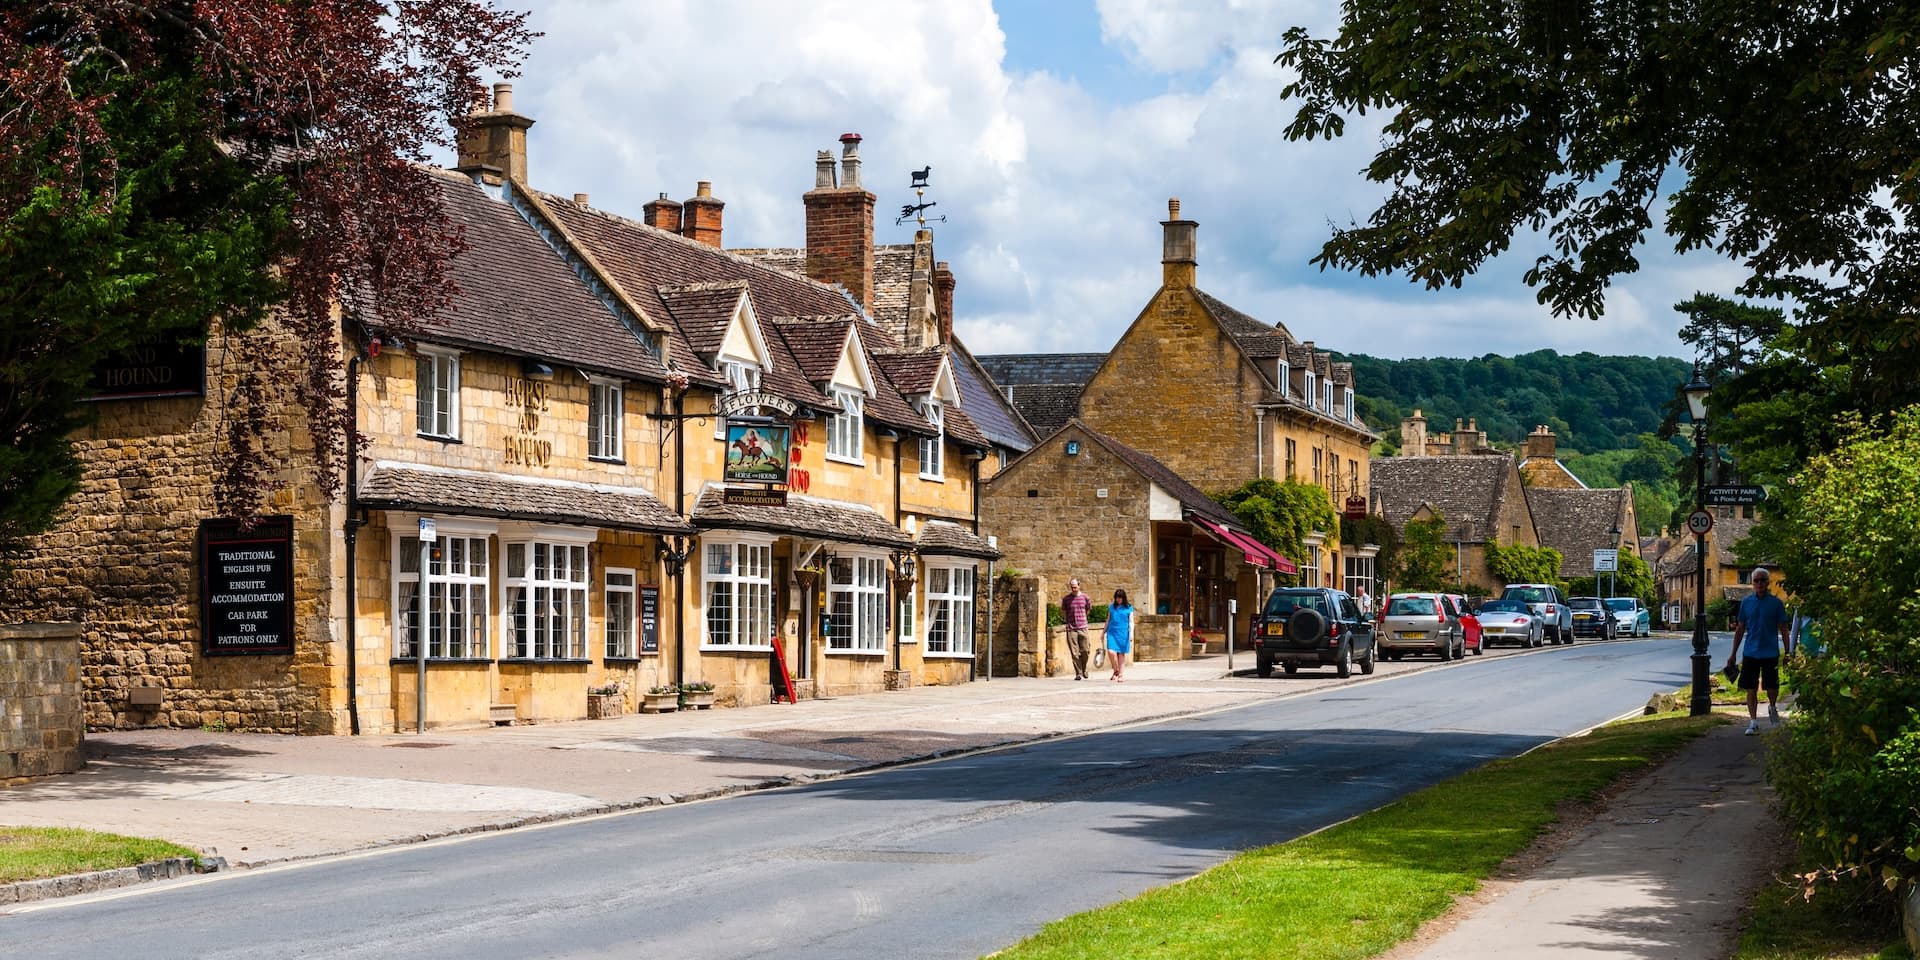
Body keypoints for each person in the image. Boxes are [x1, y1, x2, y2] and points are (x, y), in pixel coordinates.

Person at [1727, 567, 1791, 735]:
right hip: (1751, 651)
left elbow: (1784, 629)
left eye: (1763, 580)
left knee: (1772, 687)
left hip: (1770, 651)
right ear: (1752, 583)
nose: (1759, 583)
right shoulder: (1747, 603)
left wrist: (1788, 652)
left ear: (1767, 583)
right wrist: (1733, 654)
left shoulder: (1776, 604)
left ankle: (1772, 706)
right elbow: (1740, 628)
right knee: (1750, 688)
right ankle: (1753, 721)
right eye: (1756, 580)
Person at [1061, 578, 1094, 681]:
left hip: (1083, 627)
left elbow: (1088, 609)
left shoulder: (1085, 598)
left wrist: (1082, 618)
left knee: (1086, 650)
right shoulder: (1066, 599)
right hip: (1071, 629)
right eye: (1072, 587)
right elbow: (1063, 611)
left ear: (1079, 586)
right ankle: (1078, 673)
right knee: (1074, 652)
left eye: (1075, 587)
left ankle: (1084, 668)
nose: (1073, 589)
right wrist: (1068, 622)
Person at [1104, 588, 1135, 682]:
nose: (1118, 599)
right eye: (1117, 597)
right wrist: (1103, 632)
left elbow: (1131, 622)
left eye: (1120, 598)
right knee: (1111, 652)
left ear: (1123, 598)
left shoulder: (1129, 607)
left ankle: (1120, 674)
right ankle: (1116, 669)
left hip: (1123, 633)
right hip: (1112, 632)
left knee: (1121, 654)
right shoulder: (1111, 607)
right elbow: (1108, 620)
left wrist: (1131, 633)